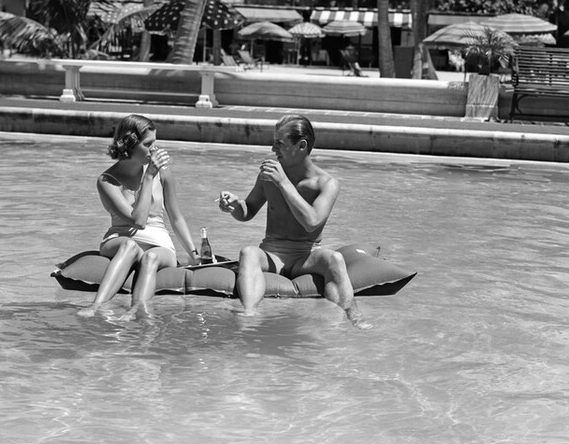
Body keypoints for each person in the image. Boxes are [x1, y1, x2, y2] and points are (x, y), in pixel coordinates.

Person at [218, 114, 370, 329]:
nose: (273, 149)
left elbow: (312, 222)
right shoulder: (268, 175)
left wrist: (283, 183)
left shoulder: (326, 183)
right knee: (248, 252)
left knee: (334, 258)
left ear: (302, 146)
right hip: (271, 254)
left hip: (305, 256)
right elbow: (247, 211)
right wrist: (234, 205)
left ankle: (352, 315)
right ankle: (249, 313)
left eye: (279, 143)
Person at [77, 114, 200, 318]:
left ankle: (136, 310)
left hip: (159, 243)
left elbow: (176, 217)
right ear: (129, 144)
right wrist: (149, 177)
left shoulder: (163, 172)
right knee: (130, 245)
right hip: (120, 239)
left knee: (151, 257)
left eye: (155, 143)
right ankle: (96, 306)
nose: (154, 150)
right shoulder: (107, 181)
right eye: (148, 144)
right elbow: (138, 221)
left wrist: (194, 254)